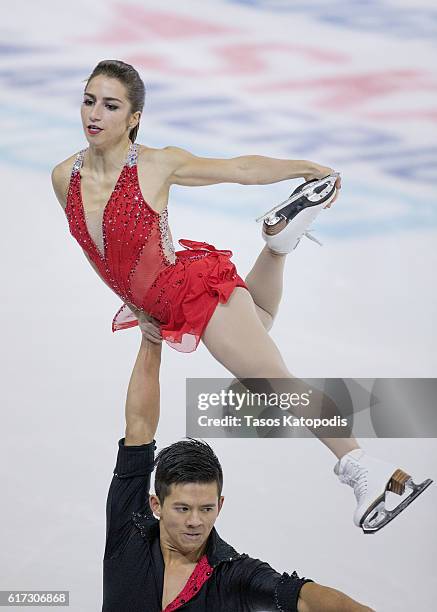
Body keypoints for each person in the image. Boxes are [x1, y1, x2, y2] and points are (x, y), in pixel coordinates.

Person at [51, 59, 431, 532]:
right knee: (262, 320)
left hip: (195, 295)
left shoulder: (155, 164)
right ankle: (279, 244)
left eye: (111, 106)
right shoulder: (64, 175)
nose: (95, 115)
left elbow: (240, 169)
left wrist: (305, 168)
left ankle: (359, 466)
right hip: (166, 302)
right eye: (89, 101)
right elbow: (95, 249)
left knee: (272, 381)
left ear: (133, 119)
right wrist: (136, 304)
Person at [102, 325, 374, 611]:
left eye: (206, 508)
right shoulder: (129, 531)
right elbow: (139, 427)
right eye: (183, 508)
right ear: (156, 504)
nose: (196, 522)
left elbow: (304, 597)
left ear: (220, 505)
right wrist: (151, 337)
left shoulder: (233, 575)